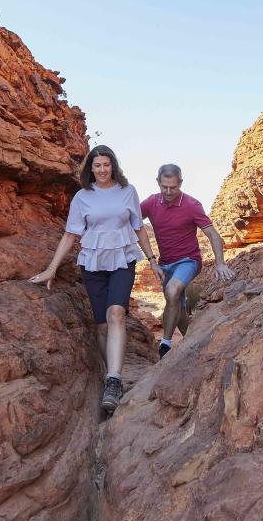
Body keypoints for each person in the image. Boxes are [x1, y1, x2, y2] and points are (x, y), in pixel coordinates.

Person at [30, 145, 162, 413]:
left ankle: (113, 380)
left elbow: (138, 229)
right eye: (97, 165)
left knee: (116, 314)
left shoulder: (128, 192)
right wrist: (51, 268)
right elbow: (70, 235)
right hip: (92, 263)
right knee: (102, 325)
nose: (102, 169)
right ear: (90, 168)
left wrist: (152, 260)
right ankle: (110, 375)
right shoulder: (82, 197)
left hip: (122, 259)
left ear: (113, 166)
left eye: (106, 164)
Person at [140, 163, 234, 358]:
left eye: (173, 187)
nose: (168, 191)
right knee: (177, 305)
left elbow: (213, 235)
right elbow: (131, 220)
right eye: (164, 186)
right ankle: (192, 345)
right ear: (158, 182)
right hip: (165, 263)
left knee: (172, 291)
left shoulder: (192, 205)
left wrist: (220, 263)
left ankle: (165, 344)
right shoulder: (151, 203)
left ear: (180, 183)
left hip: (188, 260)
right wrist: (151, 260)